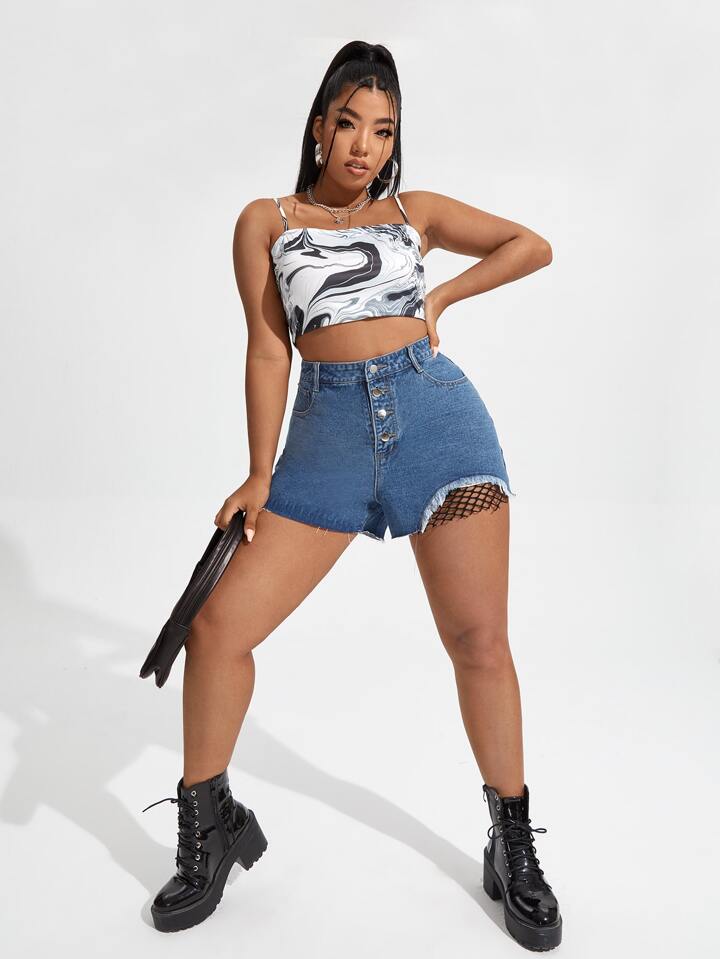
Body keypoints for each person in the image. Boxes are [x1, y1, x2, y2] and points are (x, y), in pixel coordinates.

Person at [141, 40, 561, 951]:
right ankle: (210, 824)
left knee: (479, 642)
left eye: (384, 129)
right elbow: (268, 350)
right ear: (318, 126)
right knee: (217, 629)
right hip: (325, 440)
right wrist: (259, 473)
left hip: (439, 426)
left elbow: (532, 245)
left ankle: (513, 842)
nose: (365, 146)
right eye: (349, 123)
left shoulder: (414, 212)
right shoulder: (266, 220)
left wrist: (440, 299)